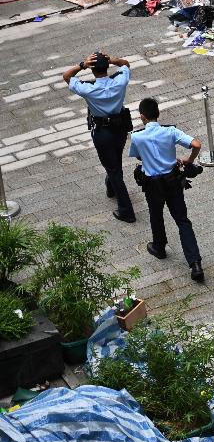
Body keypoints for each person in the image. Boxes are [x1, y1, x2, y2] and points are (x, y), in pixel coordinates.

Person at [129, 98, 205, 282]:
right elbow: (196, 144)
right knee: (182, 221)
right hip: (173, 181)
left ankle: (159, 247)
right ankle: (195, 264)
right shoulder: (170, 131)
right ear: (158, 114)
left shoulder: (137, 137)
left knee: (156, 215)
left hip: (152, 184)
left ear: (142, 116)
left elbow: (138, 155)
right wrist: (188, 160)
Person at [63, 52, 136, 223]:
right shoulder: (120, 81)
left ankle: (126, 210)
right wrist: (113, 60)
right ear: (108, 66)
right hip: (120, 128)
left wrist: (82, 65)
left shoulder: (88, 89)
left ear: (92, 70)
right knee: (115, 161)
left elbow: (66, 76)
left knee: (113, 168)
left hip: (102, 132)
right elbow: (125, 64)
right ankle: (111, 187)